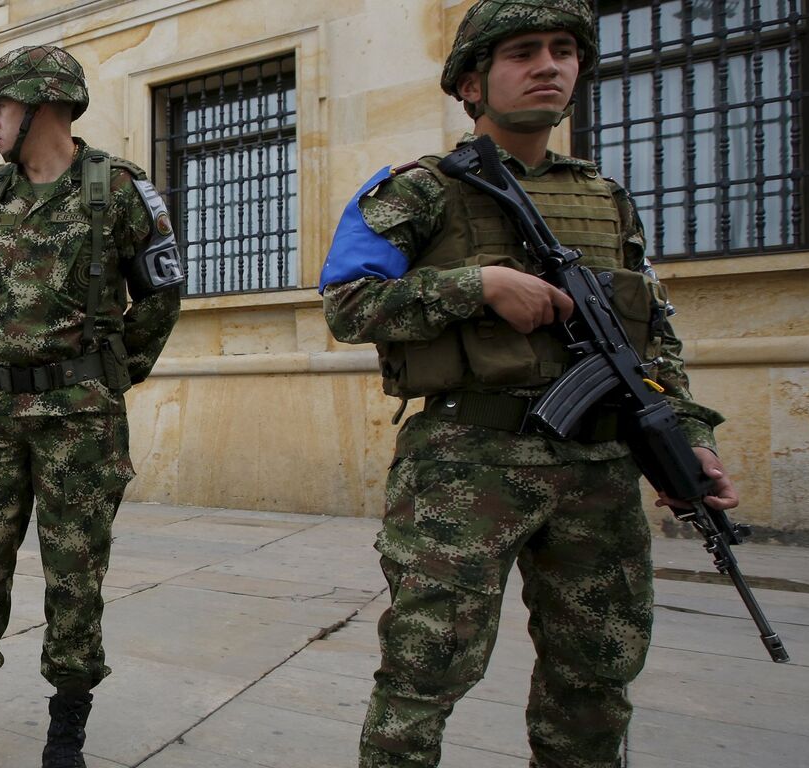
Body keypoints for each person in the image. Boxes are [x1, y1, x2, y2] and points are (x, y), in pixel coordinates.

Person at [317, 2, 740, 765]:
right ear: (473, 85)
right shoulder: (421, 191)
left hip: (601, 471)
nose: (549, 65)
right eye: (522, 52)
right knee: (423, 673)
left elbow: (655, 344)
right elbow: (346, 305)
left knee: (597, 681)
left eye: (562, 50)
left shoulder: (607, 199)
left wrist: (690, 440)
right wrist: (475, 286)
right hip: (466, 465)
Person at [0, 45, 183, 768]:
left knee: (75, 576)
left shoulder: (121, 191)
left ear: (44, 106)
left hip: (79, 422)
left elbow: (162, 294)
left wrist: (105, 375)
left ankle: (65, 732)